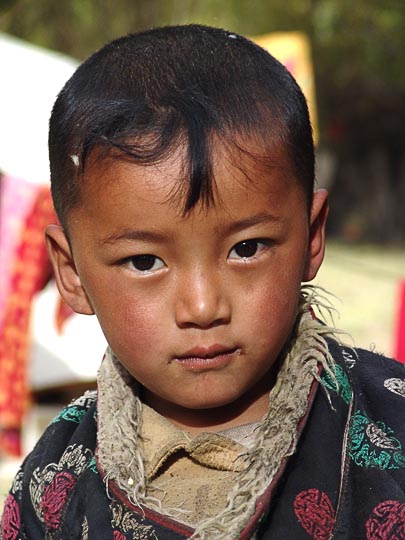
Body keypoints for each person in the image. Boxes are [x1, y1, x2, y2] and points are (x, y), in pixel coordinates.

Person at [1, 25, 404, 540]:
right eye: (145, 262)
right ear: (72, 273)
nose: (202, 306)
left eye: (246, 249)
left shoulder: (390, 432)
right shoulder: (56, 479)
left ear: (311, 238)